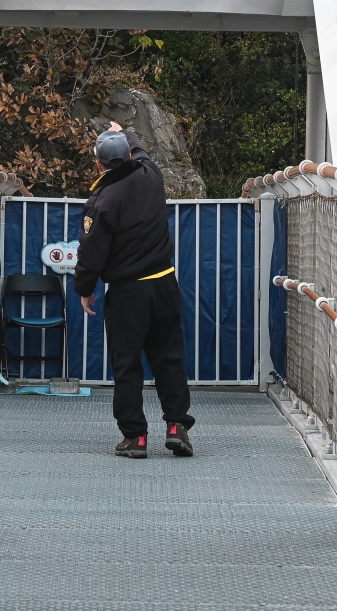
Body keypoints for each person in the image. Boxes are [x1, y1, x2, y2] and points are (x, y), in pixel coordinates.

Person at [75, 122, 195, 459]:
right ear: (128, 154)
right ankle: (177, 427)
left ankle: (135, 438)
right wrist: (125, 130)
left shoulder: (102, 201)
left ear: (98, 164)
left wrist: (85, 289)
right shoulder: (151, 176)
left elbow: (91, 253)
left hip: (128, 293)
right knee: (170, 359)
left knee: (127, 364)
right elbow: (140, 151)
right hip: (165, 285)